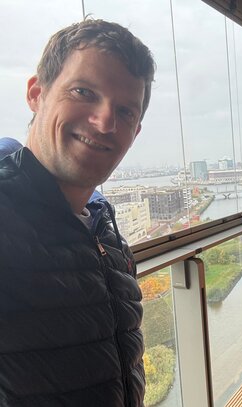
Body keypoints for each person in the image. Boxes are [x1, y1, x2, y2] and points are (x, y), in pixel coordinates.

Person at [0, 19, 155, 407]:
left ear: (135, 132)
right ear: (37, 93)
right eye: (84, 92)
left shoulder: (108, 236)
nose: (105, 122)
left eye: (125, 111)